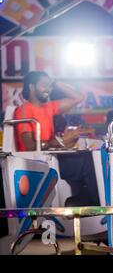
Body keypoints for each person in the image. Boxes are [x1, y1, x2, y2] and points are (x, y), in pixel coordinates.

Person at [14, 71, 99, 206]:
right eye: (44, 85)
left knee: (90, 156)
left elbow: (79, 97)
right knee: (86, 161)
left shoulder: (49, 107)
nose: (48, 89)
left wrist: (56, 82)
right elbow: (29, 146)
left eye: (50, 86)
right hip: (36, 162)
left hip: (52, 157)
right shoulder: (23, 110)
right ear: (31, 87)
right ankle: (95, 204)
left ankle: (82, 202)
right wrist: (60, 142)